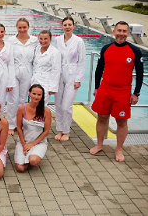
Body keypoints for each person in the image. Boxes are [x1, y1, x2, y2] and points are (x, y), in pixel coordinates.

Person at [90, 21, 144, 162]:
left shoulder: (135, 51)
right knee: (101, 118)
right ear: (114, 32)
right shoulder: (106, 48)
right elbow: (99, 69)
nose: (121, 33)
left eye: (124, 31)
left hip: (123, 91)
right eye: (119, 30)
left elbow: (139, 73)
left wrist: (136, 93)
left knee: (121, 121)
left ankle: (118, 149)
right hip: (105, 89)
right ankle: (100, 144)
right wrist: (97, 87)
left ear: (128, 33)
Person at [54, 17, 86, 142]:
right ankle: (59, 129)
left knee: (66, 105)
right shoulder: (57, 40)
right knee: (58, 104)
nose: (67, 27)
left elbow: (82, 61)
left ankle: (66, 131)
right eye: (65, 24)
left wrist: (78, 79)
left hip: (72, 75)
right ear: (62, 26)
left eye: (69, 25)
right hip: (59, 74)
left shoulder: (79, 41)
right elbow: (54, 57)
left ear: (73, 26)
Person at [6, 18, 38, 136]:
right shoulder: (11, 40)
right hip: (14, 71)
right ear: (16, 28)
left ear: (28, 27)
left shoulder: (34, 40)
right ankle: (10, 124)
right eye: (20, 27)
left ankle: (20, 123)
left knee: (23, 99)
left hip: (28, 71)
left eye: (24, 27)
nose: (22, 30)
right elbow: (8, 58)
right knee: (12, 99)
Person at [15, 84, 51, 172]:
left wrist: (32, 144)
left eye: (39, 95)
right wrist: (24, 145)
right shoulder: (22, 108)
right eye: (34, 93)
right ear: (29, 94)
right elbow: (19, 128)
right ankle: (26, 158)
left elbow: (46, 131)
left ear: (42, 96)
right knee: (20, 168)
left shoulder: (46, 111)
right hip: (24, 141)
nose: (36, 96)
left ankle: (32, 157)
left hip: (39, 142)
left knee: (33, 161)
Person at [31, 30, 61, 106]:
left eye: (45, 39)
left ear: (50, 39)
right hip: (35, 80)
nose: (43, 41)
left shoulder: (55, 52)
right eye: (41, 39)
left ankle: (40, 118)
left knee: (42, 105)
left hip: (46, 82)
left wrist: (52, 88)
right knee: (34, 104)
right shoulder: (37, 48)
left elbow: (56, 70)